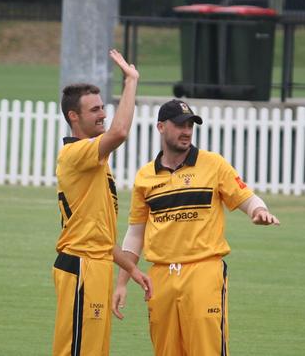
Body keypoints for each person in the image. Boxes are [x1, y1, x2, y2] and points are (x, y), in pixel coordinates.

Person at [112, 99, 280, 355]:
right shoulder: (145, 176)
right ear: (160, 127)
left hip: (204, 272)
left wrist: (259, 211)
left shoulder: (213, 164)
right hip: (160, 278)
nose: (187, 131)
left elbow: (245, 196)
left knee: (206, 349)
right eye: (180, 125)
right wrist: (122, 282)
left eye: (190, 124)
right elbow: (136, 233)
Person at [52, 49, 153, 355]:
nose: (103, 114)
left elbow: (100, 236)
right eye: (95, 109)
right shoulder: (76, 154)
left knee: (94, 350)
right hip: (81, 266)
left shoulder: (95, 161)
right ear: (74, 116)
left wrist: (132, 271)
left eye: (102, 107)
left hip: (95, 265)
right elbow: (120, 132)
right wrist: (131, 80)